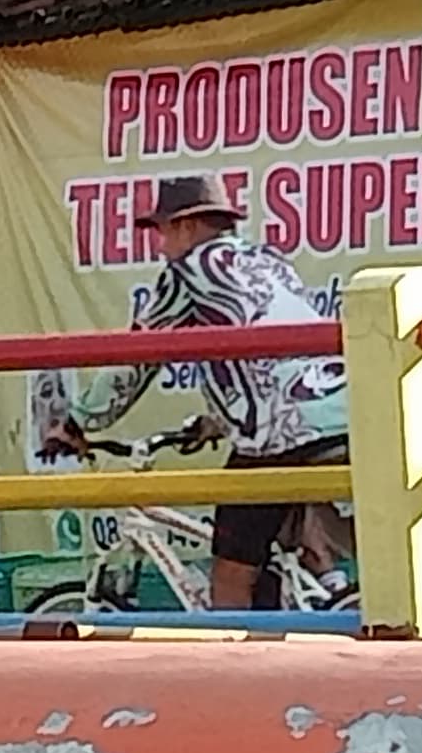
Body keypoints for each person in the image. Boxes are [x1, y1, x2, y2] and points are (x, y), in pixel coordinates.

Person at [43, 174, 351, 608]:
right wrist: (218, 422)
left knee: (231, 567)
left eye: (162, 231)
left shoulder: (187, 272)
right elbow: (265, 354)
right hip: (343, 408)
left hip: (281, 429)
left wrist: (76, 422)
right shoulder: (268, 260)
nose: (160, 245)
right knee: (287, 514)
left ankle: (238, 663)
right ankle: (331, 589)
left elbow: (137, 359)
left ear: (187, 226)